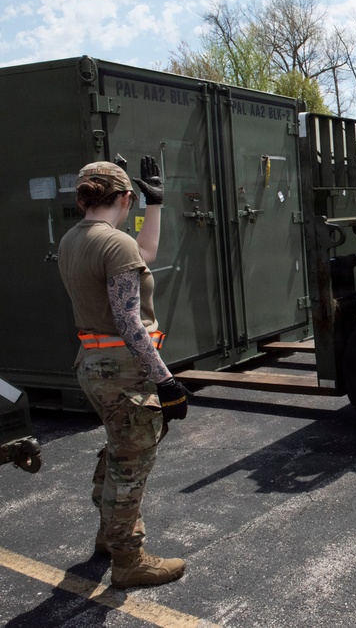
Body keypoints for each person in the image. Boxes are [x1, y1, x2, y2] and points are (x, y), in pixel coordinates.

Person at [58, 156, 191, 590]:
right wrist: (167, 381)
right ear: (124, 198)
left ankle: (108, 535)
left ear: (83, 199)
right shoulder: (114, 245)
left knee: (119, 450)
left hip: (93, 365)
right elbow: (131, 322)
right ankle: (128, 559)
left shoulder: (75, 240)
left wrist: (155, 205)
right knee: (130, 465)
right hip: (124, 371)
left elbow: (143, 253)